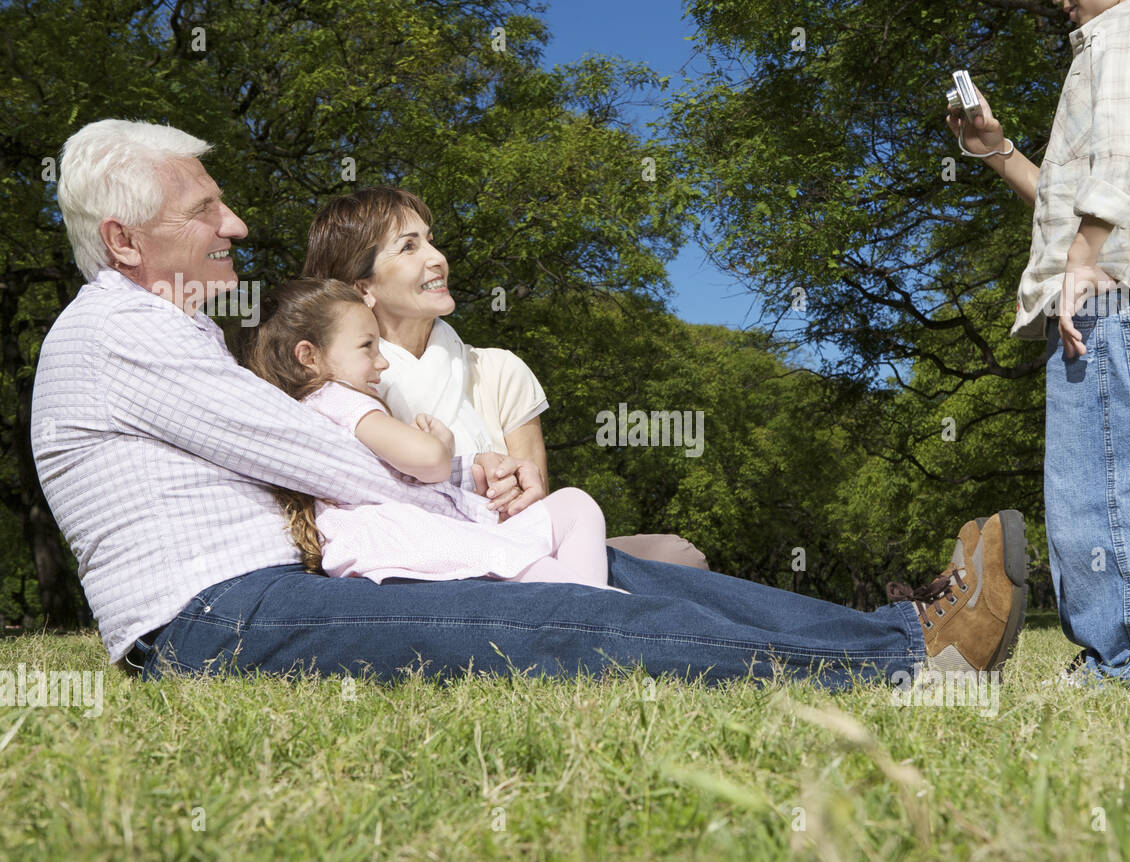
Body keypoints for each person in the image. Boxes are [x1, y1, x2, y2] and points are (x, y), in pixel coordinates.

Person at [31, 117, 1027, 689]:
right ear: (126, 240)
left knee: (615, 567)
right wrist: (462, 479)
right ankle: (901, 658)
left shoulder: (166, 331)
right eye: (204, 206)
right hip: (214, 618)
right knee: (543, 618)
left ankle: (910, 634)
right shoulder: (117, 332)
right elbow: (315, 453)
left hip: (268, 589)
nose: (234, 220)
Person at [948, 0, 1130, 686]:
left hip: (1111, 300)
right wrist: (996, 152)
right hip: (1118, 297)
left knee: (1106, 493)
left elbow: (1125, 156)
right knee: (1105, 484)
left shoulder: (1125, 30)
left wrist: (1085, 259)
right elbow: (1081, 194)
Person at [300, 187, 710, 570]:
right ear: (361, 287)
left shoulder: (499, 370)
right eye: (409, 247)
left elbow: (535, 509)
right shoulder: (333, 389)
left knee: (675, 556)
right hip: (407, 563)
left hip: (515, 550)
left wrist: (515, 487)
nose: (437, 257)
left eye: (430, 239)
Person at [242, 277, 619, 590]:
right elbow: (428, 462)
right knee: (534, 558)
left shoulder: (320, 406)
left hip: (414, 534)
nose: (382, 361)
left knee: (572, 506)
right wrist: (441, 444)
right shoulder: (338, 399)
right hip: (406, 537)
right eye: (366, 347)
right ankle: (602, 610)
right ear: (309, 356)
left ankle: (594, 602)